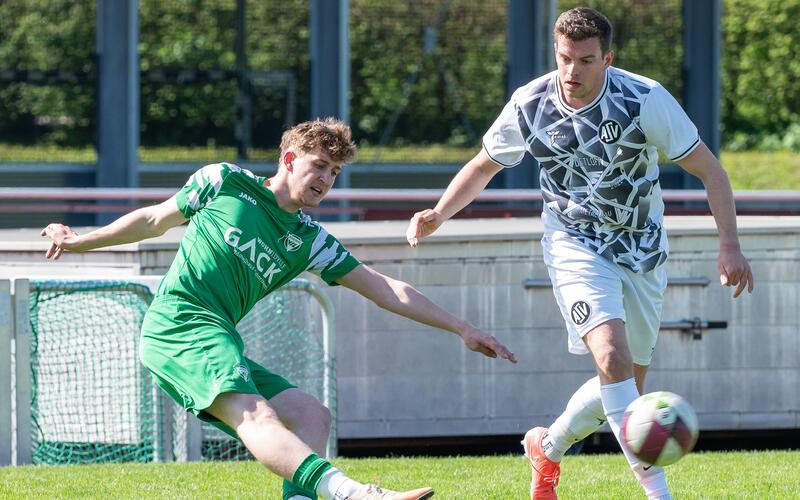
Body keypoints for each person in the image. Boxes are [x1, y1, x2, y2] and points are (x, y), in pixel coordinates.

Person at [40, 117, 517, 500]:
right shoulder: (222, 181)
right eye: (319, 165)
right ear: (289, 159)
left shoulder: (309, 240)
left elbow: (383, 287)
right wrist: (79, 242)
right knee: (258, 418)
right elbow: (150, 220)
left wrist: (460, 327)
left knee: (311, 415)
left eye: (334, 172)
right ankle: (354, 494)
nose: (326, 178)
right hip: (179, 323)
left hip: (215, 332)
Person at [406, 7, 753, 500]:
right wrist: (439, 213)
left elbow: (711, 171)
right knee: (611, 356)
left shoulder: (644, 98)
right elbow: (484, 166)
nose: (572, 72)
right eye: (565, 58)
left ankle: (546, 447)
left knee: (622, 381)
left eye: (586, 60)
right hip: (575, 244)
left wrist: (730, 246)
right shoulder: (530, 103)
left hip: (643, 250)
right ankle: (659, 493)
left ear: (607, 58)